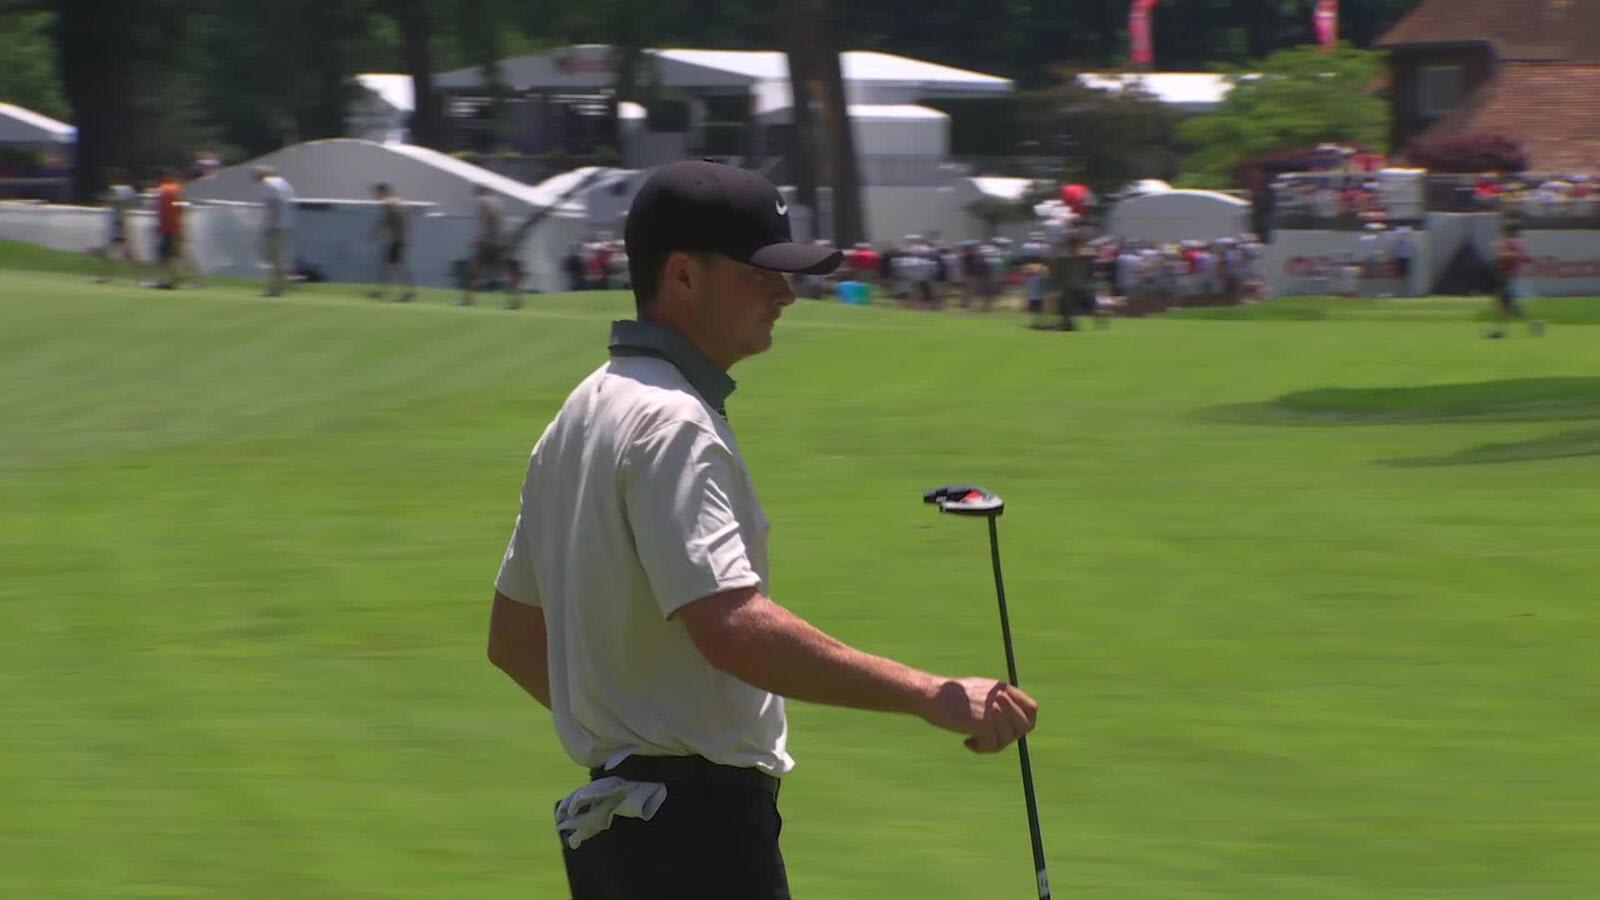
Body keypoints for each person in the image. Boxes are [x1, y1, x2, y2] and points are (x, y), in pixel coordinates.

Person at [486, 160, 1039, 900]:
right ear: (683, 275)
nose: (785, 293)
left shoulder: (582, 411)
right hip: (696, 839)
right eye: (760, 274)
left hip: (617, 838)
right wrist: (929, 694)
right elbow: (734, 630)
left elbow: (513, 639)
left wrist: (629, 732)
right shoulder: (673, 424)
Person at [461, 184, 518, 309]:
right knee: (505, 271)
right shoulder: (498, 202)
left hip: (489, 243)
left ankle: (467, 299)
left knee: (473, 270)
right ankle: (513, 301)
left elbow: (484, 223)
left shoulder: (482, 202)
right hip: (502, 242)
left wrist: (480, 239)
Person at [1487, 227, 1544, 339]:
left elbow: (1514, 256)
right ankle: (1532, 325)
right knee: (1507, 305)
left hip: (1507, 277)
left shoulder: (1514, 243)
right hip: (1504, 276)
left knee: (1505, 305)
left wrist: (1501, 253)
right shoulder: (1508, 243)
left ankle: (1501, 331)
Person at [367, 183, 416, 302]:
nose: (376, 196)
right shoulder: (395, 202)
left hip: (397, 240)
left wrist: (377, 231)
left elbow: (389, 220)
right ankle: (386, 291)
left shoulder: (391, 203)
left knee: (397, 267)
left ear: (382, 192)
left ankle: (408, 293)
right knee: (390, 266)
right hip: (397, 239)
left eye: (377, 193)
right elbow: (392, 221)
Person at [255, 166, 296, 297]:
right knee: (276, 257)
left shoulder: (268, 183)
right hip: (286, 223)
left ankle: (278, 287)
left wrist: (270, 225)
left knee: (272, 258)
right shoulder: (283, 183)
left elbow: (274, 204)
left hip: (275, 225)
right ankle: (280, 285)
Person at [95, 168, 140, 283]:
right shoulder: (127, 190)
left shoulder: (116, 190)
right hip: (120, 222)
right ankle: (108, 276)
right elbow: (133, 203)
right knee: (120, 251)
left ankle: (108, 276)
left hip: (118, 224)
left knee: (119, 251)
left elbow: (119, 204)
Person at [153, 170, 185, 289]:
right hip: (176, 226)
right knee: (175, 255)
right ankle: (173, 279)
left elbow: (159, 209)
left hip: (166, 227)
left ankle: (166, 280)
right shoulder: (177, 189)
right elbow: (179, 207)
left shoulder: (161, 190)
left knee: (163, 256)